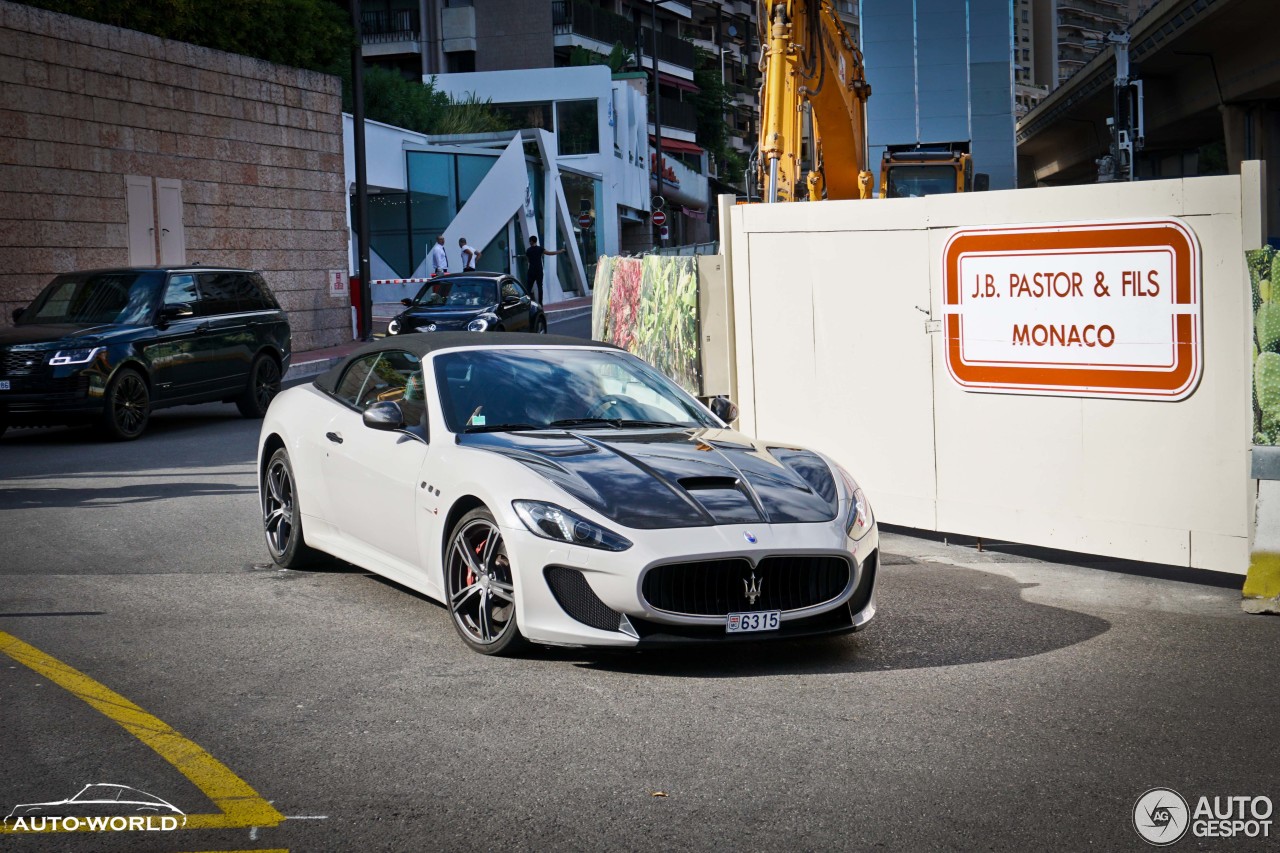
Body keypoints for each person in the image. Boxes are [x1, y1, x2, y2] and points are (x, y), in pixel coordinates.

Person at [524, 235, 563, 305]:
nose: (529, 242)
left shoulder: (528, 250)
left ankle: (528, 303)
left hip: (531, 270)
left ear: (532, 241)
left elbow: (528, 261)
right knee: (540, 287)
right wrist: (559, 251)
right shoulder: (540, 249)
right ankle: (540, 303)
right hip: (539, 270)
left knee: (529, 288)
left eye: (530, 241)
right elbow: (550, 253)